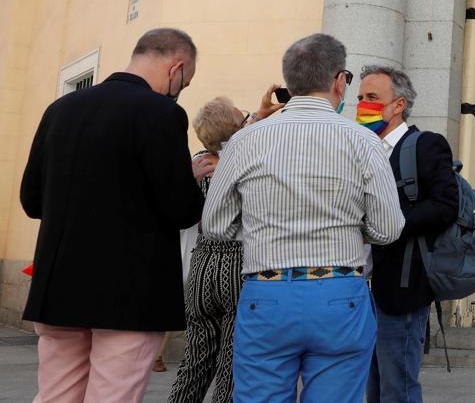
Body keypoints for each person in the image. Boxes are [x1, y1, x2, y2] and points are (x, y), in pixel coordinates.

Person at [201, 34, 405, 403]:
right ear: (339, 81)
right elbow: (389, 228)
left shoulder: (245, 142)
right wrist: (355, 227)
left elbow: (214, 224)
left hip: (267, 292)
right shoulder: (364, 142)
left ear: (289, 82)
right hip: (339, 292)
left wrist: (259, 228)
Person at [20, 27, 213, 403]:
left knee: (56, 396)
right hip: (129, 293)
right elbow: (181, 209)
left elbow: (32, 200)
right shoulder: (162, 113)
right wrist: (183, 178)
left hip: (58, 287)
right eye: (184, 82)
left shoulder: (60, 109)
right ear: (176, 68)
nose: (180, 90)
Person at [167, 87, 283, 403]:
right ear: (237, 130)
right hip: (238, 267)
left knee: (194, 363)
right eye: (243, 116)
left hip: (201, 265)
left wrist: (255, 117)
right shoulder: (247, 164)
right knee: (232, 364)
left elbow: (231, 140)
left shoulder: (198, 164)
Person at [357, 65, 459, 403]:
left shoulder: (425, 145)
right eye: (359, 97)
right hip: (357, 286)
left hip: (401, 286)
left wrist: (390, 224)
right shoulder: (361, 148)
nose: (362, 105)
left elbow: (446, 205)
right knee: (372, 386)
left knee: (396, 386)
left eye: (372, 98)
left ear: (398, 104)